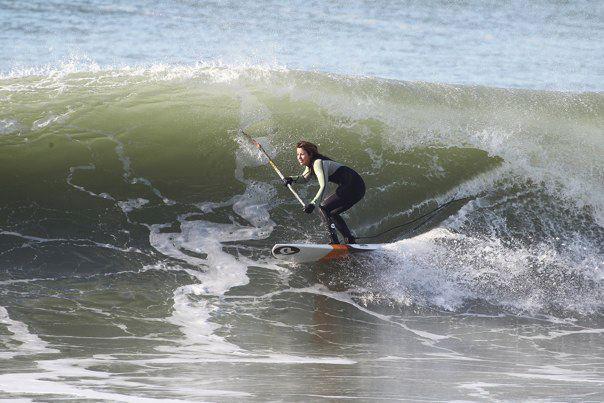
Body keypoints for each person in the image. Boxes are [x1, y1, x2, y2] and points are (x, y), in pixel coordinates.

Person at [283, 141, 365, 244]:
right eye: (297, 154)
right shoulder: (310, 165)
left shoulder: (318, 163)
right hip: (358, 187)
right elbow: (304, 178)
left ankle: (334, 242)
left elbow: (324, 186)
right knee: (332, 212)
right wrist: (291, 178)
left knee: (323, 208)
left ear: (310, 154)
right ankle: (349, 240)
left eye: (302, 154)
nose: (299, 157)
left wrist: (313, 203)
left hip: (353, 185)